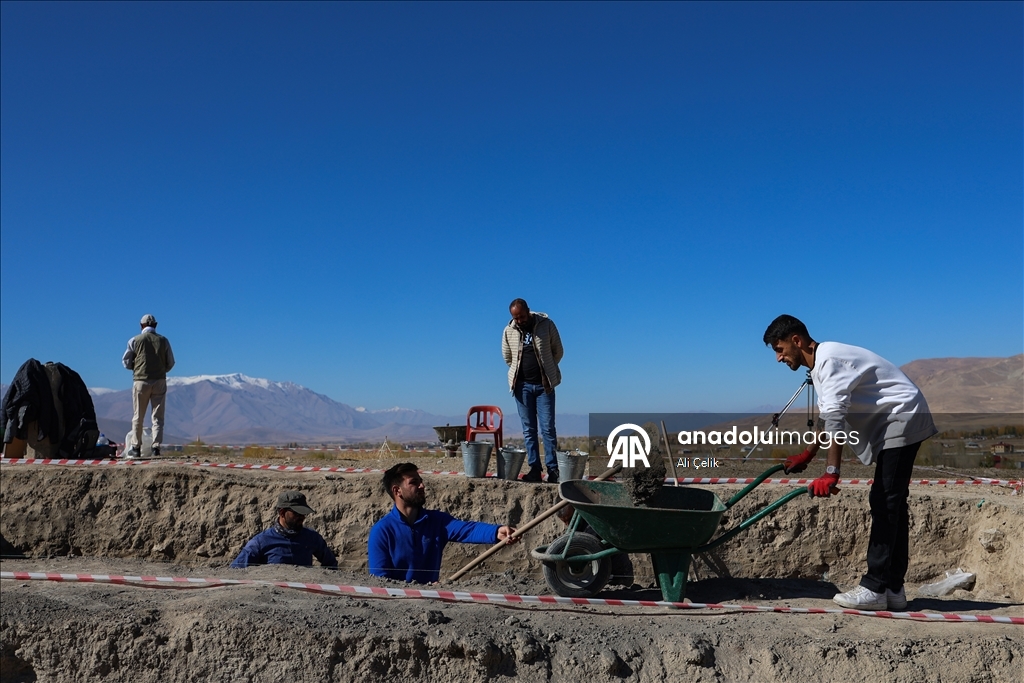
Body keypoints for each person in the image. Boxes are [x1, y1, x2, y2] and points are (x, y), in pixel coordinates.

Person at [763, 314, 936, 611]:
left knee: (885, 500)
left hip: (902, 416)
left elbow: (836, 420)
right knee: (891, 502)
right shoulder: (822, 363)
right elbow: (826, 415)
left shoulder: (828, 361)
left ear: (797, 340)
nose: (778, 359)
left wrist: (832, 472)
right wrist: (809, 453)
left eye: (780, 350)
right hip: (896, 418)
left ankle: (875, 588)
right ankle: (893, 589)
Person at [368, 463, 518, 583]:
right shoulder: (382, 531)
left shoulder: (437, 521)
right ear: (397, 490)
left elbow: (467, 530)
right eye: (414, 483)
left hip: (433, 603)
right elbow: (380, 581)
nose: (422, 486)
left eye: (421, 481)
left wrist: (496, 532)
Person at [502, 298, 564, 483]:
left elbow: (558, 351)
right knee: (529, 430)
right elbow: (507, 357)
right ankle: (534, 469)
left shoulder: (546, 325)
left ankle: (552, 470)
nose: (519, 320)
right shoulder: (509, 331)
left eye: (521, 316)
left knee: (547, 429)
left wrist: (548, 368)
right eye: (516, 317)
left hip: (544, 386)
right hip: (522, 387)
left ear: (528, 311)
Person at [231, 491, 338, 569]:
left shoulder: (312, 538)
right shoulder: (260, 542)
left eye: (303, 514)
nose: (302, 517)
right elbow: (236, 570)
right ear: (282, 513)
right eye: (296, 513)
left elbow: (331, 565)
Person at [121, 314, 175, 458]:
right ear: (156, 325)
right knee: (157, 417)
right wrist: (161, 371)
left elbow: (126, 362)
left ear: (141, 325)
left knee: (138, 415)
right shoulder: (164, 341)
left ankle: (136, 447)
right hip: (159, 381)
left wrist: (136, 368)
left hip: (141, 381)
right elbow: (170, 362)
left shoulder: (134, 340)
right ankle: (155, 448)